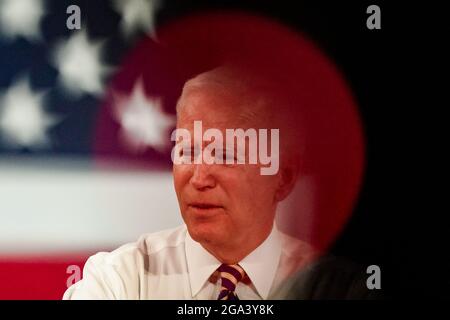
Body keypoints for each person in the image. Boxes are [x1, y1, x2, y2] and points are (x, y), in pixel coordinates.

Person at [63, 65, 316, 300]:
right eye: (187, 152)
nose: (198, 179)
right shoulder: (119, 280)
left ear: (284, 178)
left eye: (225, 155)